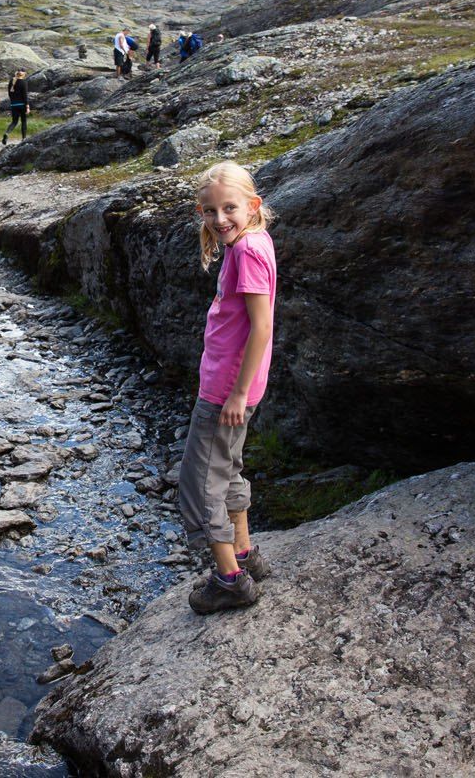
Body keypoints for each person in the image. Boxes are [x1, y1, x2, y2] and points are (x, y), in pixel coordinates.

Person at [179, 161, 278, 615]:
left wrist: (236, 394)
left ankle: (229, 580)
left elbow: (262, 327)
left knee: (201, 486)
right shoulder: (250, 242)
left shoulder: (247, 252)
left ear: (253, 206)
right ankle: (243, 551)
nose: (220, 219)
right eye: (210, 211)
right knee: (229, 467)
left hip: (226, 393)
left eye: (230, 208)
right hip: (232, 388)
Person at [3, 69, 29, 144]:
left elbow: (9, 94)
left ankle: (7, 133)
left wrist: (13, 102)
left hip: (14, 105)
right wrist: (27, 106)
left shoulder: (12, 82)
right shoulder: (24, 82)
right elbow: (25, 95)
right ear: (24, 74)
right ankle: (23, 138)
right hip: (22, 105)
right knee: (23, 121)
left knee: (14, 122)